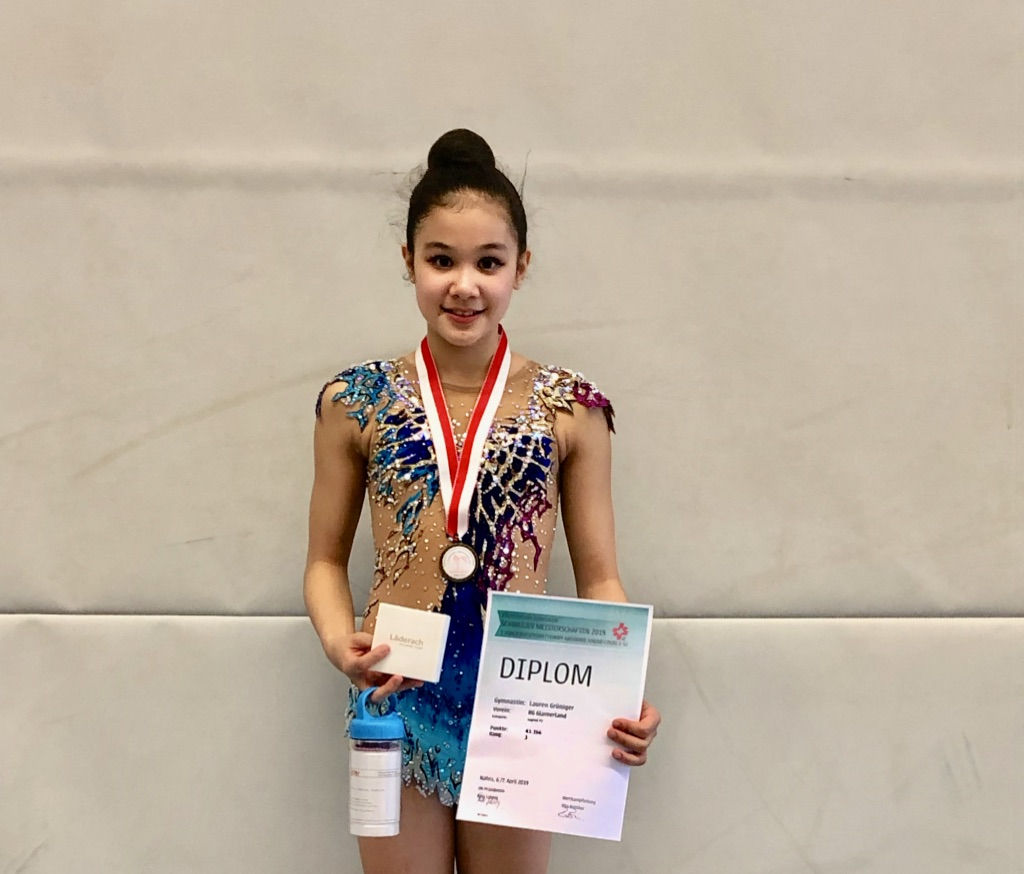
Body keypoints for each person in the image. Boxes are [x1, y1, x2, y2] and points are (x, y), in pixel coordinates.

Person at [304, 128, 661, 874]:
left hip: (525, 705)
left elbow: (600, 578)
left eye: (488, 263)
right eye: (442, 260)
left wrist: (621, 691)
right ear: (409, 260)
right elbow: (324, 562)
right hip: (396, 693)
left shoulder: (572, 408)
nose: (464, 285)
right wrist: (340, 643)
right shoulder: (355, 401)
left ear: (520, 268)